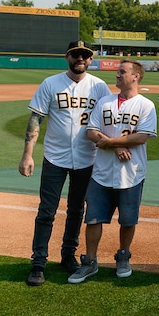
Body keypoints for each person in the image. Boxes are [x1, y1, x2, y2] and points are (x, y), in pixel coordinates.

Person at [19, 41, 112, 286]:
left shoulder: (99, 87)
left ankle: (68, 255)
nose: (80, 58)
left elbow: (107, 121)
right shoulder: (51, 83)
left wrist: (116, 145)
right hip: (54, 158)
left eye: (85, 55)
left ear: (91, 60)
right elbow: (36, 119)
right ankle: (38, 262)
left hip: (87, 158)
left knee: (76, 210)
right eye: (76, 54)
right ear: (67, 57)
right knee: (46, 212)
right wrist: (27, 154)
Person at [68, 59, 157, 283]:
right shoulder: (104, 102)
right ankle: (90, 261)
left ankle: (123, 256)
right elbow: (91, 131)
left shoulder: (146, 105)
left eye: (122, 71)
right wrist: (117, 145)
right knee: (93, 218)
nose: (117, 75)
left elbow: (142, 136)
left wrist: (110, 142)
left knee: (128, 220)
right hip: (102, 173)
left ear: (135, 76)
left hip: (132, 173)